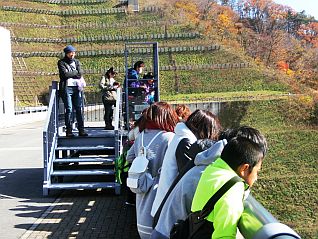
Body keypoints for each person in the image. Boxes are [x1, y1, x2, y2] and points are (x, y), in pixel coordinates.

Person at [151, 126, 267, 239]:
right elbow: (224, 231)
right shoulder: (218, 178)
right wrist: (241, 189)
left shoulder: (212, 168)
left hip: (170, 229)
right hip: (168, 233)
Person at [191, 136, 266, 238]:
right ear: (245, 168)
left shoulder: (212, 170)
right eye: (257, 172)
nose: (256, 178)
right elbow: (224, 235)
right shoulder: (233, 188)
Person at [151, 109, 221, 217]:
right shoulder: (186, 143)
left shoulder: (181, 137)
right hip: (169, 210)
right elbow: (189, 177)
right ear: (204, 129)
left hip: (165, 204)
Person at [126, 102, 179, 239]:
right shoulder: (169, 138)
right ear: (166, 116)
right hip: (159, 199)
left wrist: (143, 164)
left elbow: (129, 156)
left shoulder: (142, 135)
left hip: (141, 199)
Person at [57, 45, 88, 137]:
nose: (73, 54)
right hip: (67, 88)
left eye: (74, 53)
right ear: (66, 53)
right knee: (69, 109)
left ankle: (81, 130)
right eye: (71, 53)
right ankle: (69, 130)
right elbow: (64, 75)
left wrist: (72, 74)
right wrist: (75, 72)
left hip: (76, 88)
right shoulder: (61, 62)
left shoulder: (77, 62)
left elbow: (80, 73)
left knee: (78, 109)